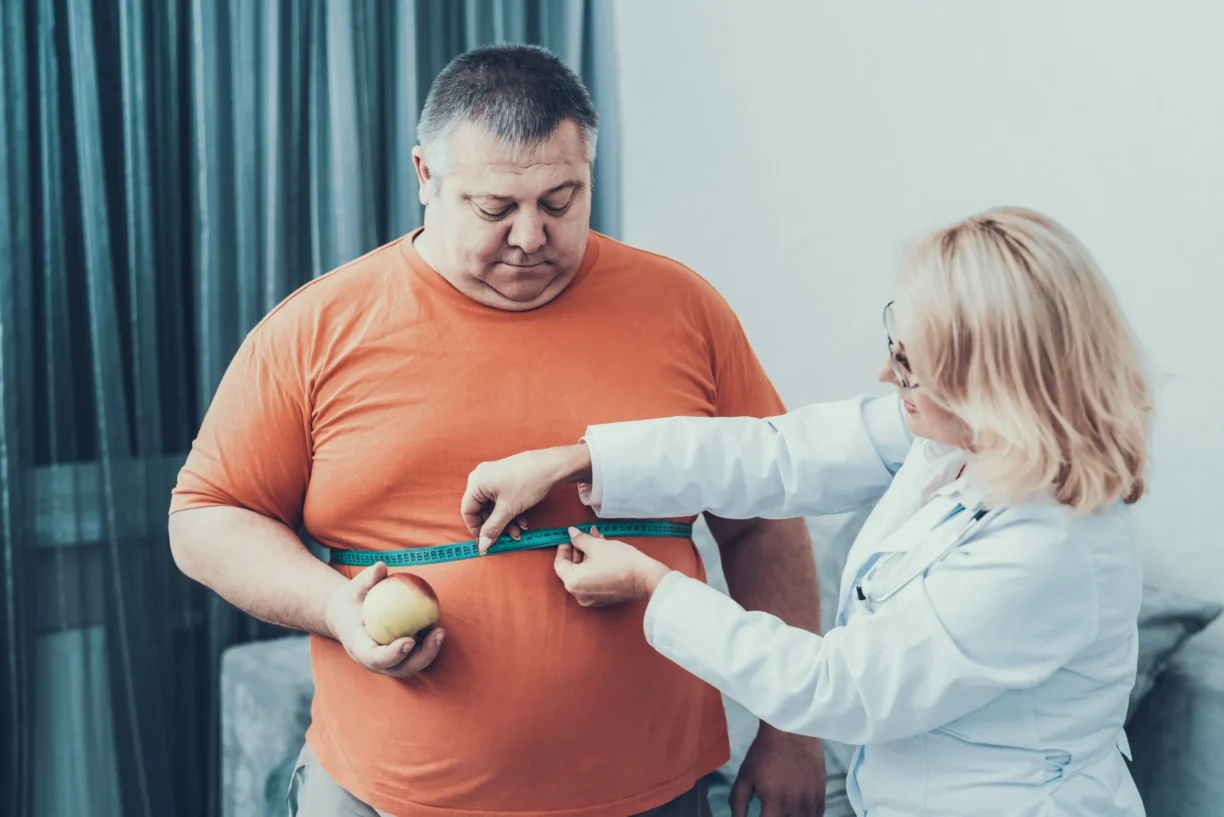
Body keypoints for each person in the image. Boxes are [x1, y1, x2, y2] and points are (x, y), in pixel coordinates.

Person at [168, 44, 827, 817]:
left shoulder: (683, 308)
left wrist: (792, 730)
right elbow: (206, 516)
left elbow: (764, 520)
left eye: (560, 201)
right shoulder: (315, 330)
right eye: (494, 208)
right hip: (387, 795)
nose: (528, 236)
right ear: (424, 177)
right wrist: (332, 606)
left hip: (653, 793)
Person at [462, 207, 1152, 817]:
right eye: (895, 341)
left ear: (989, 384)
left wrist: (653, 589)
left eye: (911, 364)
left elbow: (839, 686)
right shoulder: (962, 439)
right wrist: (579, 460)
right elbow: (776, 454)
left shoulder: (1047, 547)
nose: (887, 375)